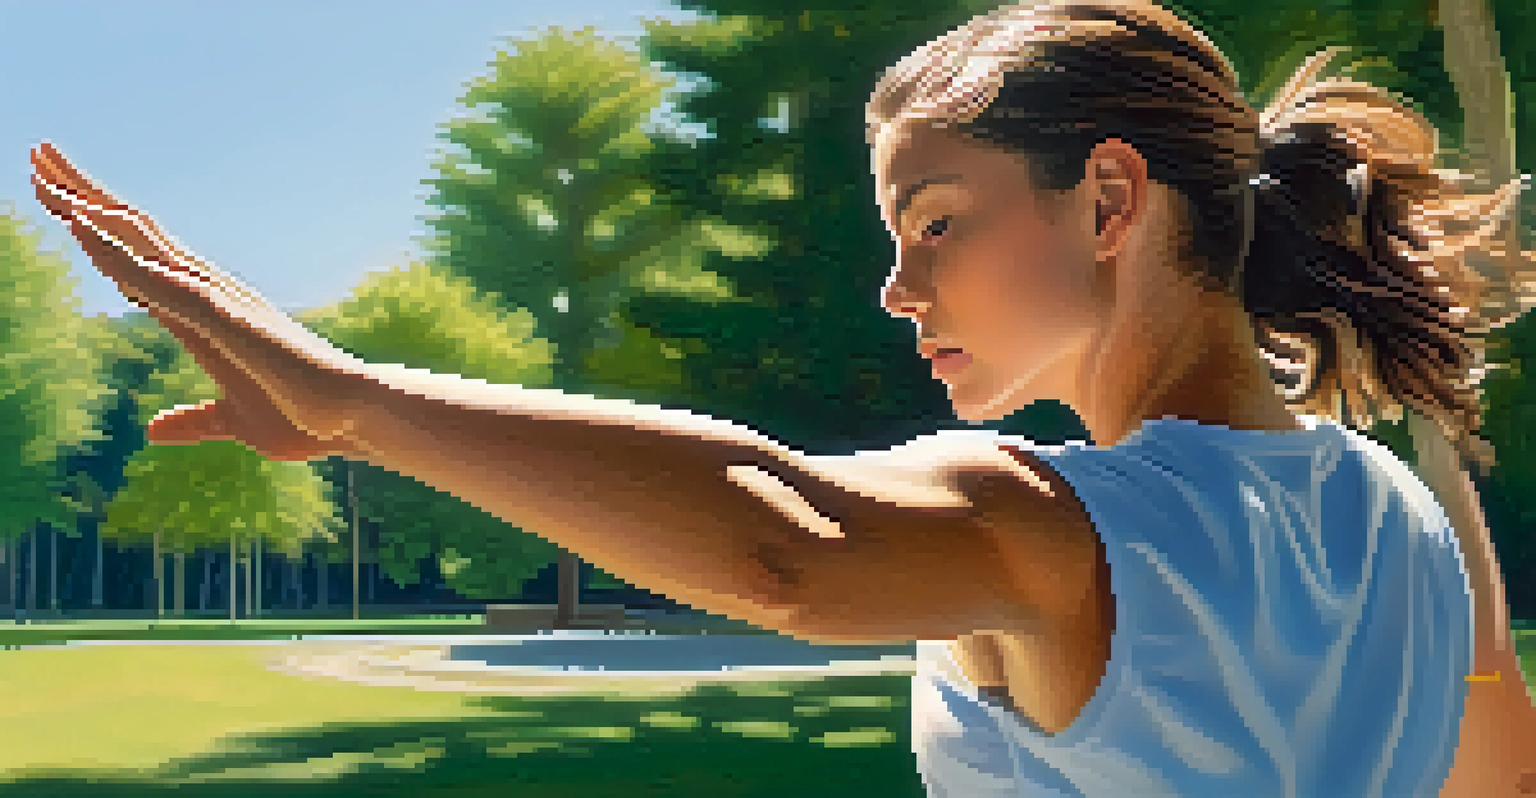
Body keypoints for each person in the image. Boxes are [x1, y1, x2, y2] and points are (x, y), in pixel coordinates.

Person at [27, 0, 1535, 793]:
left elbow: (785, 543)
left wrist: (350, 401)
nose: (898, 288)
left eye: (935, 221)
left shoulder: (1044, 521)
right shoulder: (1410, 516)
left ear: (1109, 197)